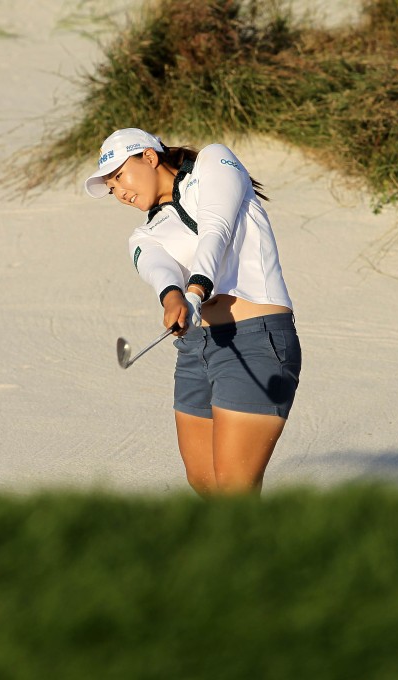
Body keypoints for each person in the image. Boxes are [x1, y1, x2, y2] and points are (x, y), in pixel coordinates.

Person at [85, 128, 302, 497]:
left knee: (235, 492)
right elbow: (158, 270)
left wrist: (196, 289)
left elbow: (215, 229)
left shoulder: (214, 163)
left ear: (149, 157)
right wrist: (172, 298)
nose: (119, 193)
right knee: (206, 486)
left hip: (256, 339)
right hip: (196, 350)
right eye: (111, 188)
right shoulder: (144, 234)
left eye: (120, 176)